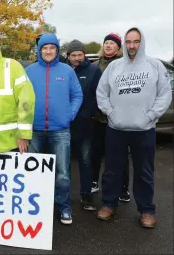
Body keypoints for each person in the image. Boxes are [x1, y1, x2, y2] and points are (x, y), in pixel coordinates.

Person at [95, 27, 172, 228]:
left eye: (136, 42)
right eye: (128, 42)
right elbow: (101, 93)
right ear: (124, 44)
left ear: (142, 42)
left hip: (144, 130)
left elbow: (164, 94)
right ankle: (109, 204)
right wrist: (111, 113)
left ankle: (147, 210)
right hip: (116, 129)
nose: (132, 46)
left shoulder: (154, 66)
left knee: (144, 172)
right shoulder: (113, 67)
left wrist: (151, 115)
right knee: (112, 170)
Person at [25, 33, 83, 225]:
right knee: (32, 171)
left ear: (57, 50)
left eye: (52, 48)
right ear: (39, 50)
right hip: (34, 130)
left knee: (63, 173)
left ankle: (64, 207)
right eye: (44, 48)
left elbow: (77, 95)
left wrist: (69, 115)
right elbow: (21, 99)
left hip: (61, 131)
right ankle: (32, 206)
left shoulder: (67, 71)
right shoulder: (30, 71)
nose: (48, 51)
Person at [91, 33, 131, 202]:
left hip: (118, 119)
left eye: (112, 43)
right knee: (95, 152)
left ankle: (123, 188)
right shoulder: (94, 65)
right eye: (106, 43)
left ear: (118, 47)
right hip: (98, 118)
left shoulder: (126, 64)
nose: (108, 45)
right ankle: (93, 181)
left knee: (119, 154)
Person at [66, 40, 102, 211]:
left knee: (85, 161)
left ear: (84, 55)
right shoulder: (63, 70)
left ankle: (86, 195)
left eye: (80, 54)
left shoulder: (94, 70)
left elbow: (98, 95)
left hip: (84, 125)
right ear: (68, 56)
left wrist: (86, 113)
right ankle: (62, 196)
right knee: (63, 163)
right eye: (73, 55)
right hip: (64, 125)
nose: (77, 58)